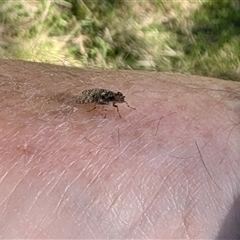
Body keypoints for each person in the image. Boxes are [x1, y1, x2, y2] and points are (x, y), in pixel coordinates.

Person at [0, 59, 239, 239]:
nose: (121, 101)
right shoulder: (109, 100)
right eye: (120, 99)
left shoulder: (115, 99)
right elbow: (97, 99)